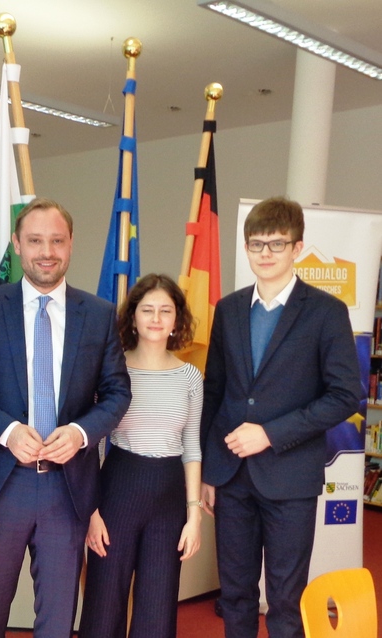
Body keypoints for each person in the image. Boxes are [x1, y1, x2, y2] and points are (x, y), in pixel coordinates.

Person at [0, 197, 131, 638]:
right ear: (17, 244)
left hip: (67, 489)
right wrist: (6, 430)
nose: (46, 251)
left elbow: (117, 393)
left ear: (71, 244)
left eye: (57, 240)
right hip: (1, 486)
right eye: (35, 240)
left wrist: (80, 433)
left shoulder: (97, 314)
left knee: (57, 621)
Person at [200, 196, 363, 638]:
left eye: (276, 243)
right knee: (233, 596)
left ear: (298, 247)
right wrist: (209, 471)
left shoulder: (326, 312)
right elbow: (215, 391)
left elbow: (347, 393)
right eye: (256, 245)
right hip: (231, 477)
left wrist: (271, 434)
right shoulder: (229, 309)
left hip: (290, 479)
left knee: (285, 602)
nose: (265, 253)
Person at [79, 273, 203, 638]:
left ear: (177, 319)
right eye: (147, 309)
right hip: (117, 488)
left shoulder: (190, 376)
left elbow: (192, 447)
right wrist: (91, 510)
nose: (156, 318)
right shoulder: (112, 371)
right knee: (104, 602)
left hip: (169, 495)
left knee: (158, 606)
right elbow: (94, 444)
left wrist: (193, 517)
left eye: (166, 310)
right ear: (132, 317)